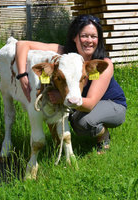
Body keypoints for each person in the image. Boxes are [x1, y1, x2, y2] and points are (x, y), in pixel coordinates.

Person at [15, 14, 127, 154]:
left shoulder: (103, 63)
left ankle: (102, 135)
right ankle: (58, 144)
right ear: (75, 37)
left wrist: (60, 97)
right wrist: (22, 76)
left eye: (94, 36)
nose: (89, 41)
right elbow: (22, 44)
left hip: (112, 105)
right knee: (56, 105)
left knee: (81, 123)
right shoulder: (64, 55)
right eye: (84, 36)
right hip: (80, 102)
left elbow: (91, 103)